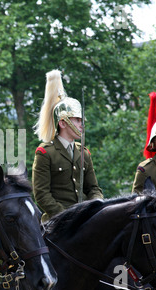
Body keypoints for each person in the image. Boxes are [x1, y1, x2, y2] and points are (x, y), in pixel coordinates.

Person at [32, 69, 103, 223]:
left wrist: (96, 205)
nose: (81, 125)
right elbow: (41, 195)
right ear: (63, 123)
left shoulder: (84, 152)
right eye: (76, 120)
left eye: (80, 120)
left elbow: (93, 189)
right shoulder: (45, 152)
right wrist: (66, 215)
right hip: (58, 220)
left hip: (84, 218)